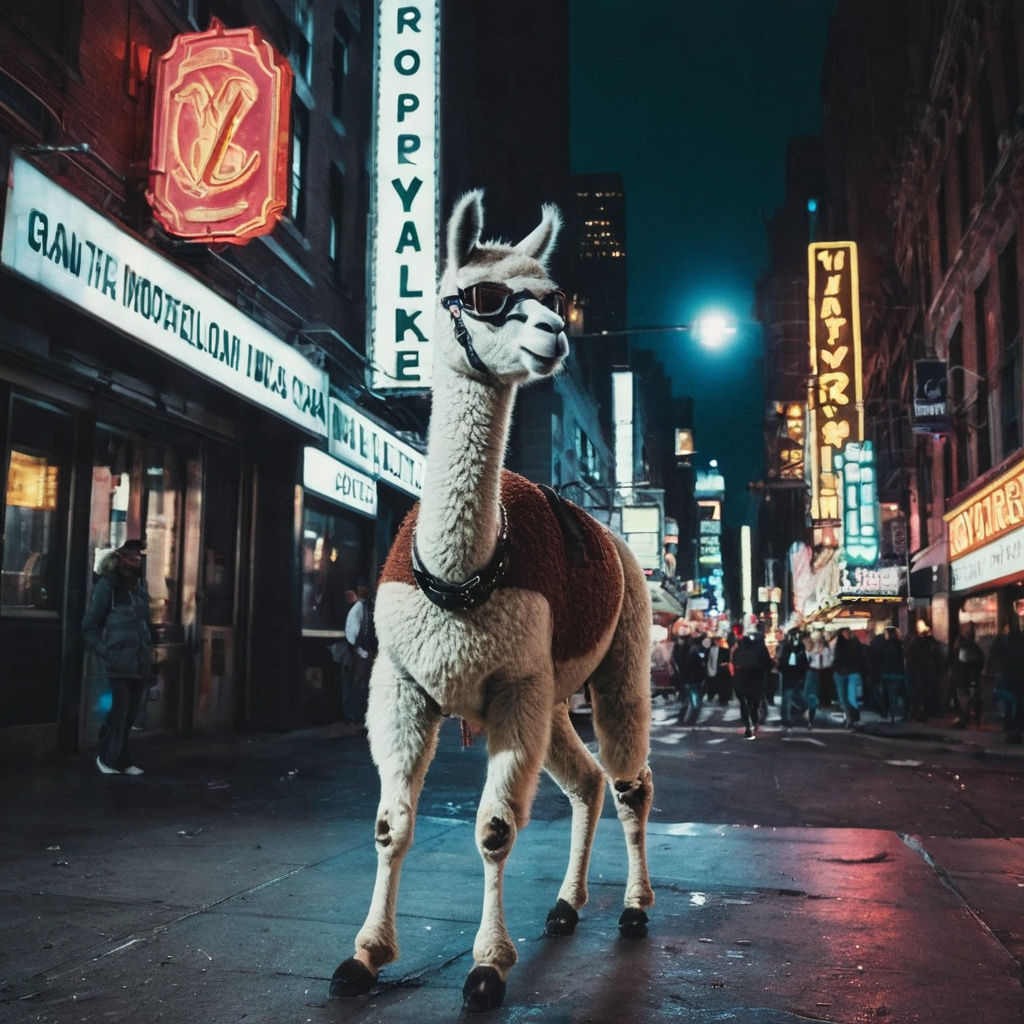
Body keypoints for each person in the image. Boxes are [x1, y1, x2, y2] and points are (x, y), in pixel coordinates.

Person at [82, 540, 154, 775]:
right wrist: (106, 650)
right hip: (118, 659)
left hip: (138, 659)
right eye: (132, 554)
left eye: (139, 555)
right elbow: (89, 626)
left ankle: (121, 758)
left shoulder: (139, 586)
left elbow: (145, 622)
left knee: (131, 711)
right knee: (121, 708)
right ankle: (108, 757)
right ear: (120, 558)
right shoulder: (108, 586)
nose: (137, 558)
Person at [731, 627, 773, 739]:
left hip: (741, 679)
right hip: (756, 679)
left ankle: (747, 724)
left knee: (744, 703)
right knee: (754, 703)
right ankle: (754, 723)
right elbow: (767, 663)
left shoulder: (739, 648)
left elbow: (734, 662)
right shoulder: (760, 648)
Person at [344, 584, 376, 726]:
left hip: (365, 652)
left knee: (363, 684)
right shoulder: (359, 608)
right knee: (358, 684)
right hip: (360, 653)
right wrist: (359, 650)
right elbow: (353, 632)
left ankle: (359, 715)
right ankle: (354, 715)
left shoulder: (365, 607)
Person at [904, 620, 943, 722]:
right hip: (919, 673)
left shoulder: (927, 642)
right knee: (919, 694)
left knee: (924, 694)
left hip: (924, 672)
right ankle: (919, 713)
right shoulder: (915, 642)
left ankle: (922, 713)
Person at [951, 623, 985, 728]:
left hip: (965, 678)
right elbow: (980, 661)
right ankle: (973, 718)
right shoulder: (974, 647)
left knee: (965, 699)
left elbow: (963, 663)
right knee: (971, 699)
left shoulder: (964, 648)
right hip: (970, 677)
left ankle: (965, 719)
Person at [831, 625, 866, 728]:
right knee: (844, 697)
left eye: (847, 631)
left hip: (848, 671)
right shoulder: (839, 644)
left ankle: (851, 717)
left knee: (850, 696)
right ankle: (849, 717)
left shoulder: (852, 643)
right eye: (844, 632)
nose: (846, 634)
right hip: (843, 671)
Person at [776, 627, 808, 729]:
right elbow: (782, 661)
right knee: (788, 697)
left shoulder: (799, 647)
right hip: (790, 675)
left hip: (794, 675)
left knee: (795, 697)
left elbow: (804, 662)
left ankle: (792, 716)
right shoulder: (788, 646)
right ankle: (786, 718)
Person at [879, 625, 908, 722]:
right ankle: (904, 713)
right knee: (903, 694)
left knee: (886, 694)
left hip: (886, 673)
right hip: (899, 673)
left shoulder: (883, 645)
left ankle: (886, 712)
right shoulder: (900, 645)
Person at [804, 629, 831, 729]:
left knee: (820, 694)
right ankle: (811, 716)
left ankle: (815, 712)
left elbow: (830, 661)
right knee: (811, 695)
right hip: (813, 672)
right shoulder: (810, 649)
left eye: (818, 638)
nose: (817, 640)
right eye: (815, 638)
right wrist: (811, 652)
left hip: (824, 672)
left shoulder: (826, 649)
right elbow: (806, 660)